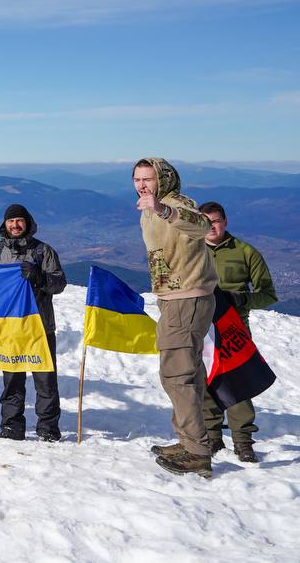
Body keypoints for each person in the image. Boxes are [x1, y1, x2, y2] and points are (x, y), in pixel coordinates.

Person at [135, 159, 220, 479]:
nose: (142, 184)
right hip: (176, 298)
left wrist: (162, 209)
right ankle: (190, 441)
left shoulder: (174, 203)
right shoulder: (151, 208)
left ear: (164, 179)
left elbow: (201, 225)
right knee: (189, 372)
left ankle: (196, 452)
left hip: (187, 298)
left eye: (149, 178)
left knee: (175, 374)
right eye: (137, 179)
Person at [198, 200, 277, 463]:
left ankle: (243, 441)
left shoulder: (246, 252)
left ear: (225, 222)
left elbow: (267, 294)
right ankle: (212, 436)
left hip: (235, 327)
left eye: (216, 221)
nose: (212, 226)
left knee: (238, 382)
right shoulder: (191, 251)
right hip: (201, 324)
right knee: (207, 379)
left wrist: (241, 300)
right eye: (206, 222)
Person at [0, 204, 66, 442]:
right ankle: (12, 427)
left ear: (27, 223)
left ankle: (48, 428)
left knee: (46, 381)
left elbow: (59, 284)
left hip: (40, 326)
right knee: (12, 381)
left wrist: (39, 276)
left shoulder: (43, 251)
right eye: (11, 221)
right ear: (5, 224)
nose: (15, 225)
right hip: (10, 327)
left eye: (19, 221)